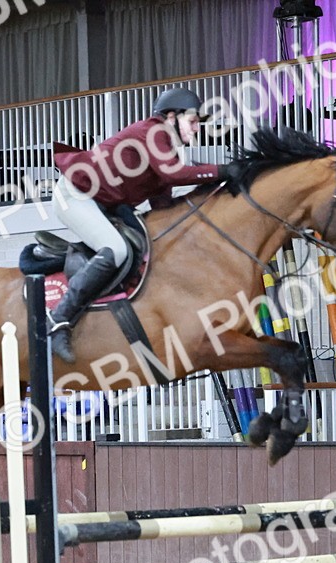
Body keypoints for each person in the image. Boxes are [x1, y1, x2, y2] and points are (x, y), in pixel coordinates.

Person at [48, 87, 230, 363]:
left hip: (106, 203)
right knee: (117, 250)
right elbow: (176, 174)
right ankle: (59, 320)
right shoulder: (154, 131)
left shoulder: (165, 147)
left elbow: (163, 206)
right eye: (192, 122)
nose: (196, 129)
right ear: (171, 116)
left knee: (150, 244)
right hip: (75, 194)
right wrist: (223, 171)